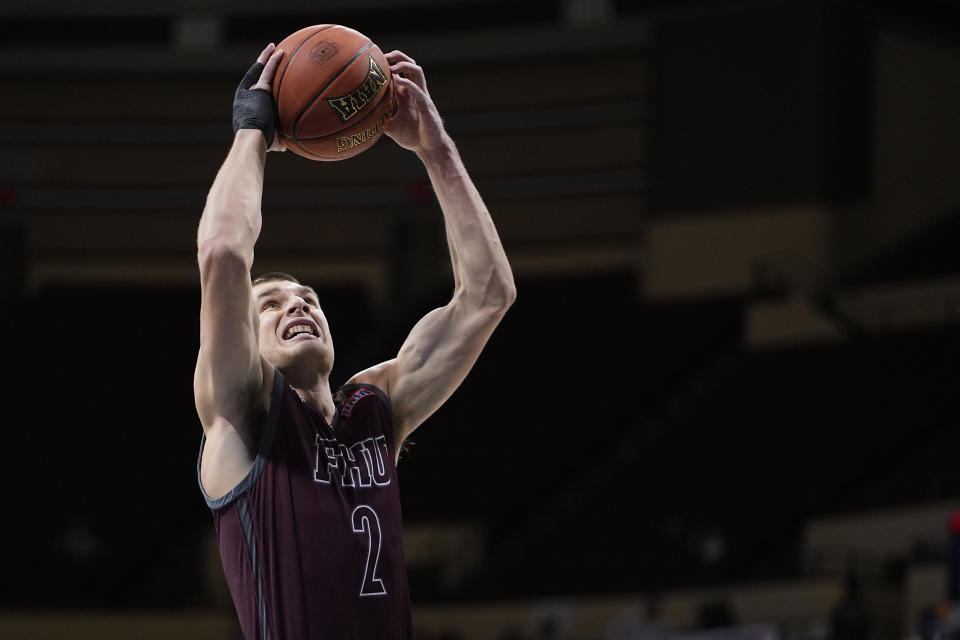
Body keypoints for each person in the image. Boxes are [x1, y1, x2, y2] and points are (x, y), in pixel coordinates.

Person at [194, 42, 516, 639]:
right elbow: (221, 253)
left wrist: (436, 149)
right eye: (270, 305)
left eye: (308, 298)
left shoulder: (373, 408)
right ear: (244, 340)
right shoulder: (242, 416)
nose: (297, 304)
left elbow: (488, 296)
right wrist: (253, 134)